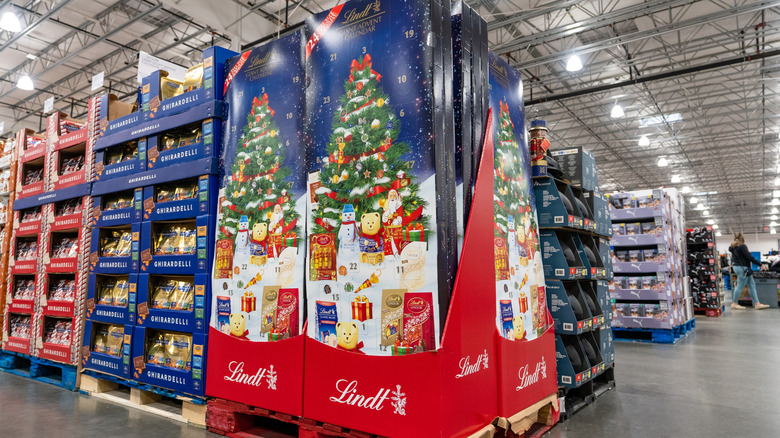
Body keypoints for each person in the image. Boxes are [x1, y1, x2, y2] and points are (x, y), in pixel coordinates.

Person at [729, 233, 770, 310]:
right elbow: (749, 257)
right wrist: (760, 264)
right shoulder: (742, 246)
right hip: (743, 268)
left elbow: (733, 258)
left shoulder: (733, 247)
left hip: (738, 267)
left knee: (751, 285)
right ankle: (734, 303)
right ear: (742, 238)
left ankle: (757, 304)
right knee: (740, 286)